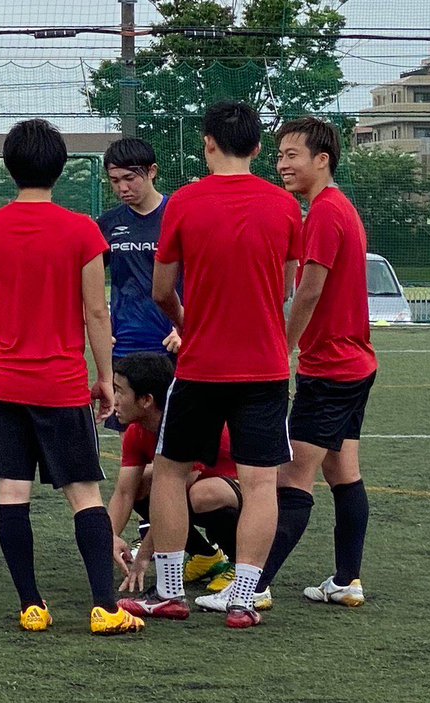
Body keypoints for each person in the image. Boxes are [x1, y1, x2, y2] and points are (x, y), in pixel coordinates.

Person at [0, 119, 143, 636]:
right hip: (61, 386)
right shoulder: (82, 229)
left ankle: (32, 605)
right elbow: (96, 314)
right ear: (60, 168)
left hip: (3, 385)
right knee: (84, 496)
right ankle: (105, 607)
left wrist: (8, 304)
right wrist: (106, 378)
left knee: (12, 494)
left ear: (10, 167)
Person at [124, 101, 302, 629]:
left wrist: (187, 320)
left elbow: (161, 291)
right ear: (257, 148)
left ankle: (170, 592)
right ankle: (244, 597)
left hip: (201, 365)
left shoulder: (184, 203)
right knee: (262, 482)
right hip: (266, 366)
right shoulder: (286, 206)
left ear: (207, 144)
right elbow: (289, 287)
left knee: (172, 473)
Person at [251, 117, 377, 607]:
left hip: (331, 370)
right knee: (342, 473)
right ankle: (347, 581)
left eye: (291, 155)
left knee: (291, 479)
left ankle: (253, 586)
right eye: (279, 155)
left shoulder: (325, 212)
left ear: (321, 160)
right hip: (354, 364)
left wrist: (280, 348)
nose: (282, 164)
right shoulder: (332, 207)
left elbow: (309, 291)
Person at [104, 353, 246, 599]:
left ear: (146, 400)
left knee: (199, 496)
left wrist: (145, 555)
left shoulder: (187, 424)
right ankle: (205, 556)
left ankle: (240, 563)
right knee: (144, 483)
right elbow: (125, 492)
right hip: (196, 490)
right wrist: (108, 539)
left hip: (240, 491)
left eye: (119, 391)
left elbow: (173, 496)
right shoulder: (136, 432)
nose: (114, 400)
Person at [97, 138, 179, 367]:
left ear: (152, 171)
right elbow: (82, 282)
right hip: (122, 349)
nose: (122, 188)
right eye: (115, 180)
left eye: (129, 178)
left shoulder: (178, 216)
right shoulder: (107, 224)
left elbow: (205, 279)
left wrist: (186, 326)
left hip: (173, 345)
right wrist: (97, 326)